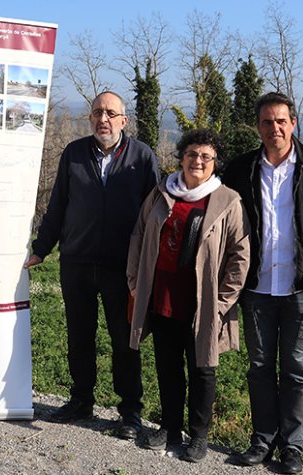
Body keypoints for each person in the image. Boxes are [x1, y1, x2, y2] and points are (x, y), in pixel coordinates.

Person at [223, 92, 303, 474]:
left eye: (281, 121)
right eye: (267, 121)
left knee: (297, 370)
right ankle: (262, 440)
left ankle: (292, 447)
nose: (274, 128)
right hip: (257, 287)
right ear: (258, 126)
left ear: (293, 123)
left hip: (302, 288)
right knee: (260, 367)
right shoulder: (241, 169)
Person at [25, 91, 159, 439]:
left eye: (111, 113)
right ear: (90, 118)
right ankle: (81, 400)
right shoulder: (73, 153)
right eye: (98, 112)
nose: (103, 119)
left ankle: (130, 412)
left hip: (123, 266)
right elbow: (58, 205)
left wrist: (152, 262)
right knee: (79, 336)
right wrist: (41, 248)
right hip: (77, 261)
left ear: (124, 121)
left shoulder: (142, 157)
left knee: (124, 341)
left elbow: (155, 214)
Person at [126, 129, 250, 462]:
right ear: (181, 158)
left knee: (202, 369)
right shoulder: (161, 193)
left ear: (215, 163)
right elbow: (139, 234)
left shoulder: (228, 201)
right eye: (192, 154)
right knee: (168, 366)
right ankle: (169, 427)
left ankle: (198, 435)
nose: (198, 161)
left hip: (202, 303)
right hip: (162, 295)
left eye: (206, 156)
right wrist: (135, 281)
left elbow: (240, 255)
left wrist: (223, 302)